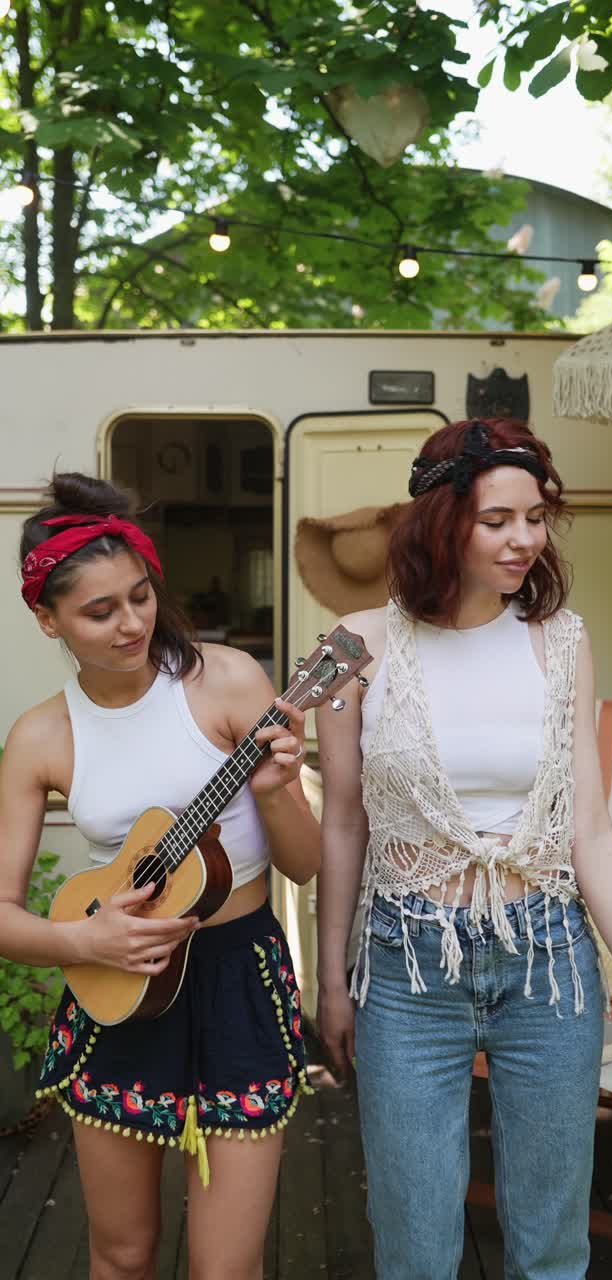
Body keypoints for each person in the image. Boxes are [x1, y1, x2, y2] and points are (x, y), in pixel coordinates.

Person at [316, 418, 612, 1280]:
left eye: (535, 517)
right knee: (415, 1245)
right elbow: (343, 820)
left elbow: (592, 834)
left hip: (548, 964)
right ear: (440, 521)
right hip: (406, 969)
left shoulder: (561, 641)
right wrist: (332, 982)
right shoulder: (355, 647)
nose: (524, 539)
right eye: (498, 519)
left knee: (550, 1245)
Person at [0, 472, 320, 1280]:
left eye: (140, 597)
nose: (131, 623)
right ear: (48, 620)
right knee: (121, 1252)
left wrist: (280, 796)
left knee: (225, 1266)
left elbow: (305, 864)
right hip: (117, 993)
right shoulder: (40, 735)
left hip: (239, 979)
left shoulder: (227, 681)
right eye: (99, 612)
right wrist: (84, 937)